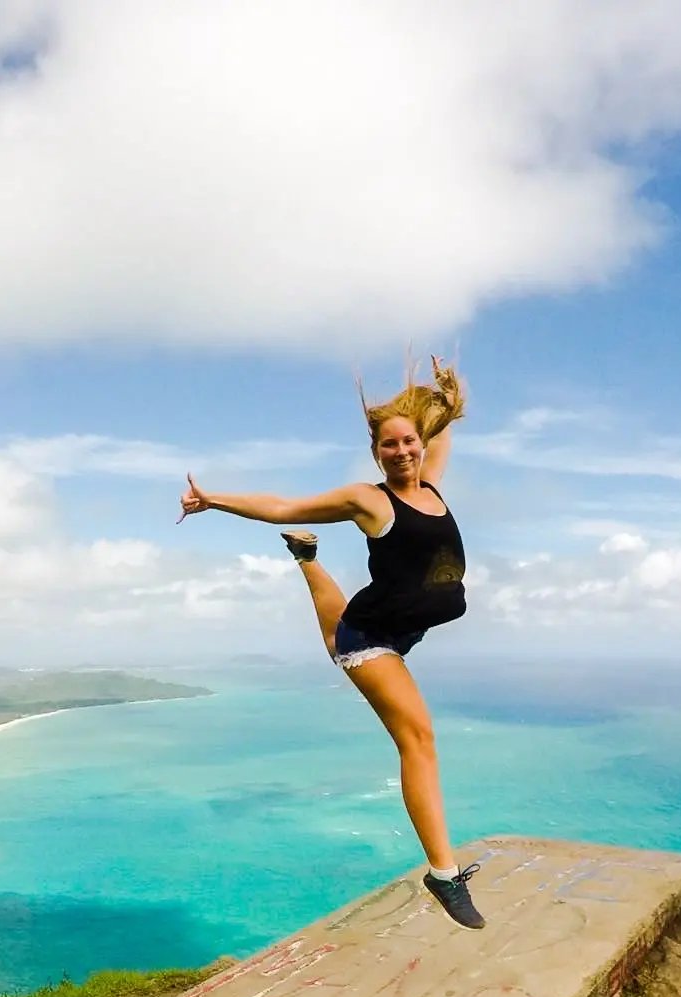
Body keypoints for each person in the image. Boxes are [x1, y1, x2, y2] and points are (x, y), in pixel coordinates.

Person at [178, 358, 484, 928]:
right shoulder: (369, 501)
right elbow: (285, 506)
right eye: (389, 445)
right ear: (376, 454)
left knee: (334, 627)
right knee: (417, 736)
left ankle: (307, 559)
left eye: (409, 441)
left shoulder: (433, 483)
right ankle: (443, 874)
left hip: (397, 627)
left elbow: (444, 430)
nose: (402, 451)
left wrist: (449, 395)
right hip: (373, 638)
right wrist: (214, 499)